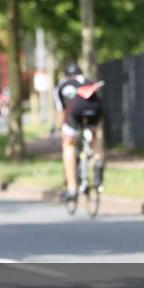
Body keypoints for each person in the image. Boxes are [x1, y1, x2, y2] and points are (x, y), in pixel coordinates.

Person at [54, 63, 105, 202]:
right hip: (95, 110)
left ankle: (72, 188)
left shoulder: (62, 85)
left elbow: (62, 113)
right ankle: (98, 161)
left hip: (75, 113)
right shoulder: (90, 81)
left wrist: (61, 129)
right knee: (95, 135)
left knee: (69, 146)